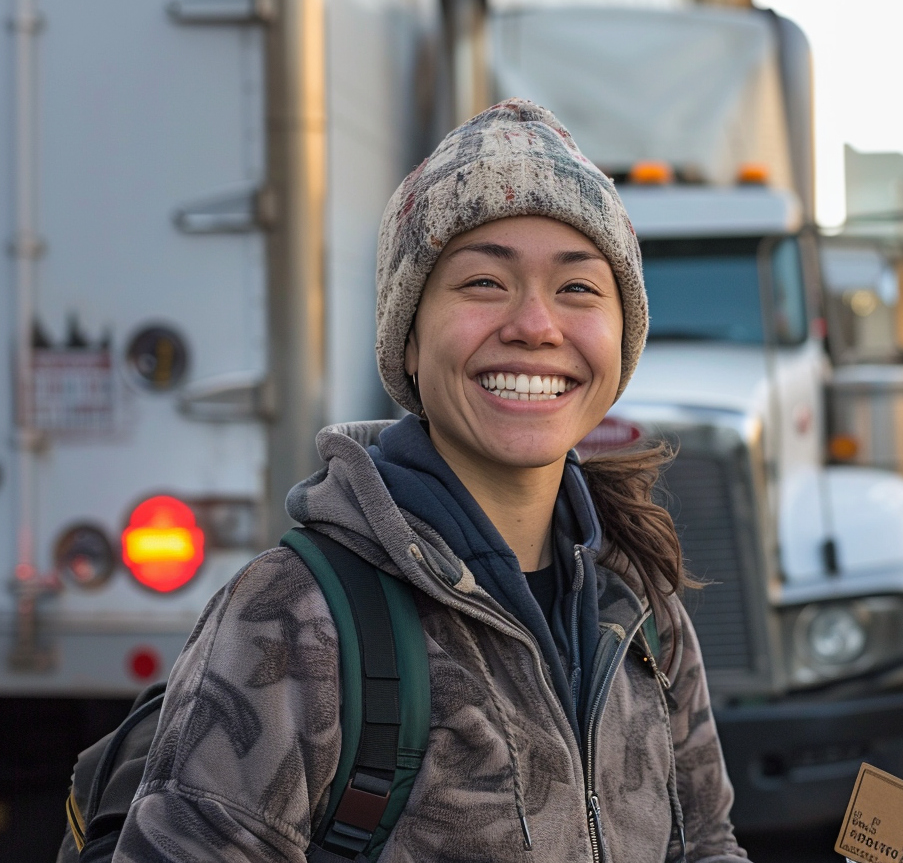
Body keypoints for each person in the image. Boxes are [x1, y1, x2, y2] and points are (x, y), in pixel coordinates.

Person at [112, 99, 750, 863]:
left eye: (579, 288)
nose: (536, 325)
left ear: (623, 338)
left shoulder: (640, 603)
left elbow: (708, 844)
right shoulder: (290, 620)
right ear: (408, 340)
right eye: (484, 282)